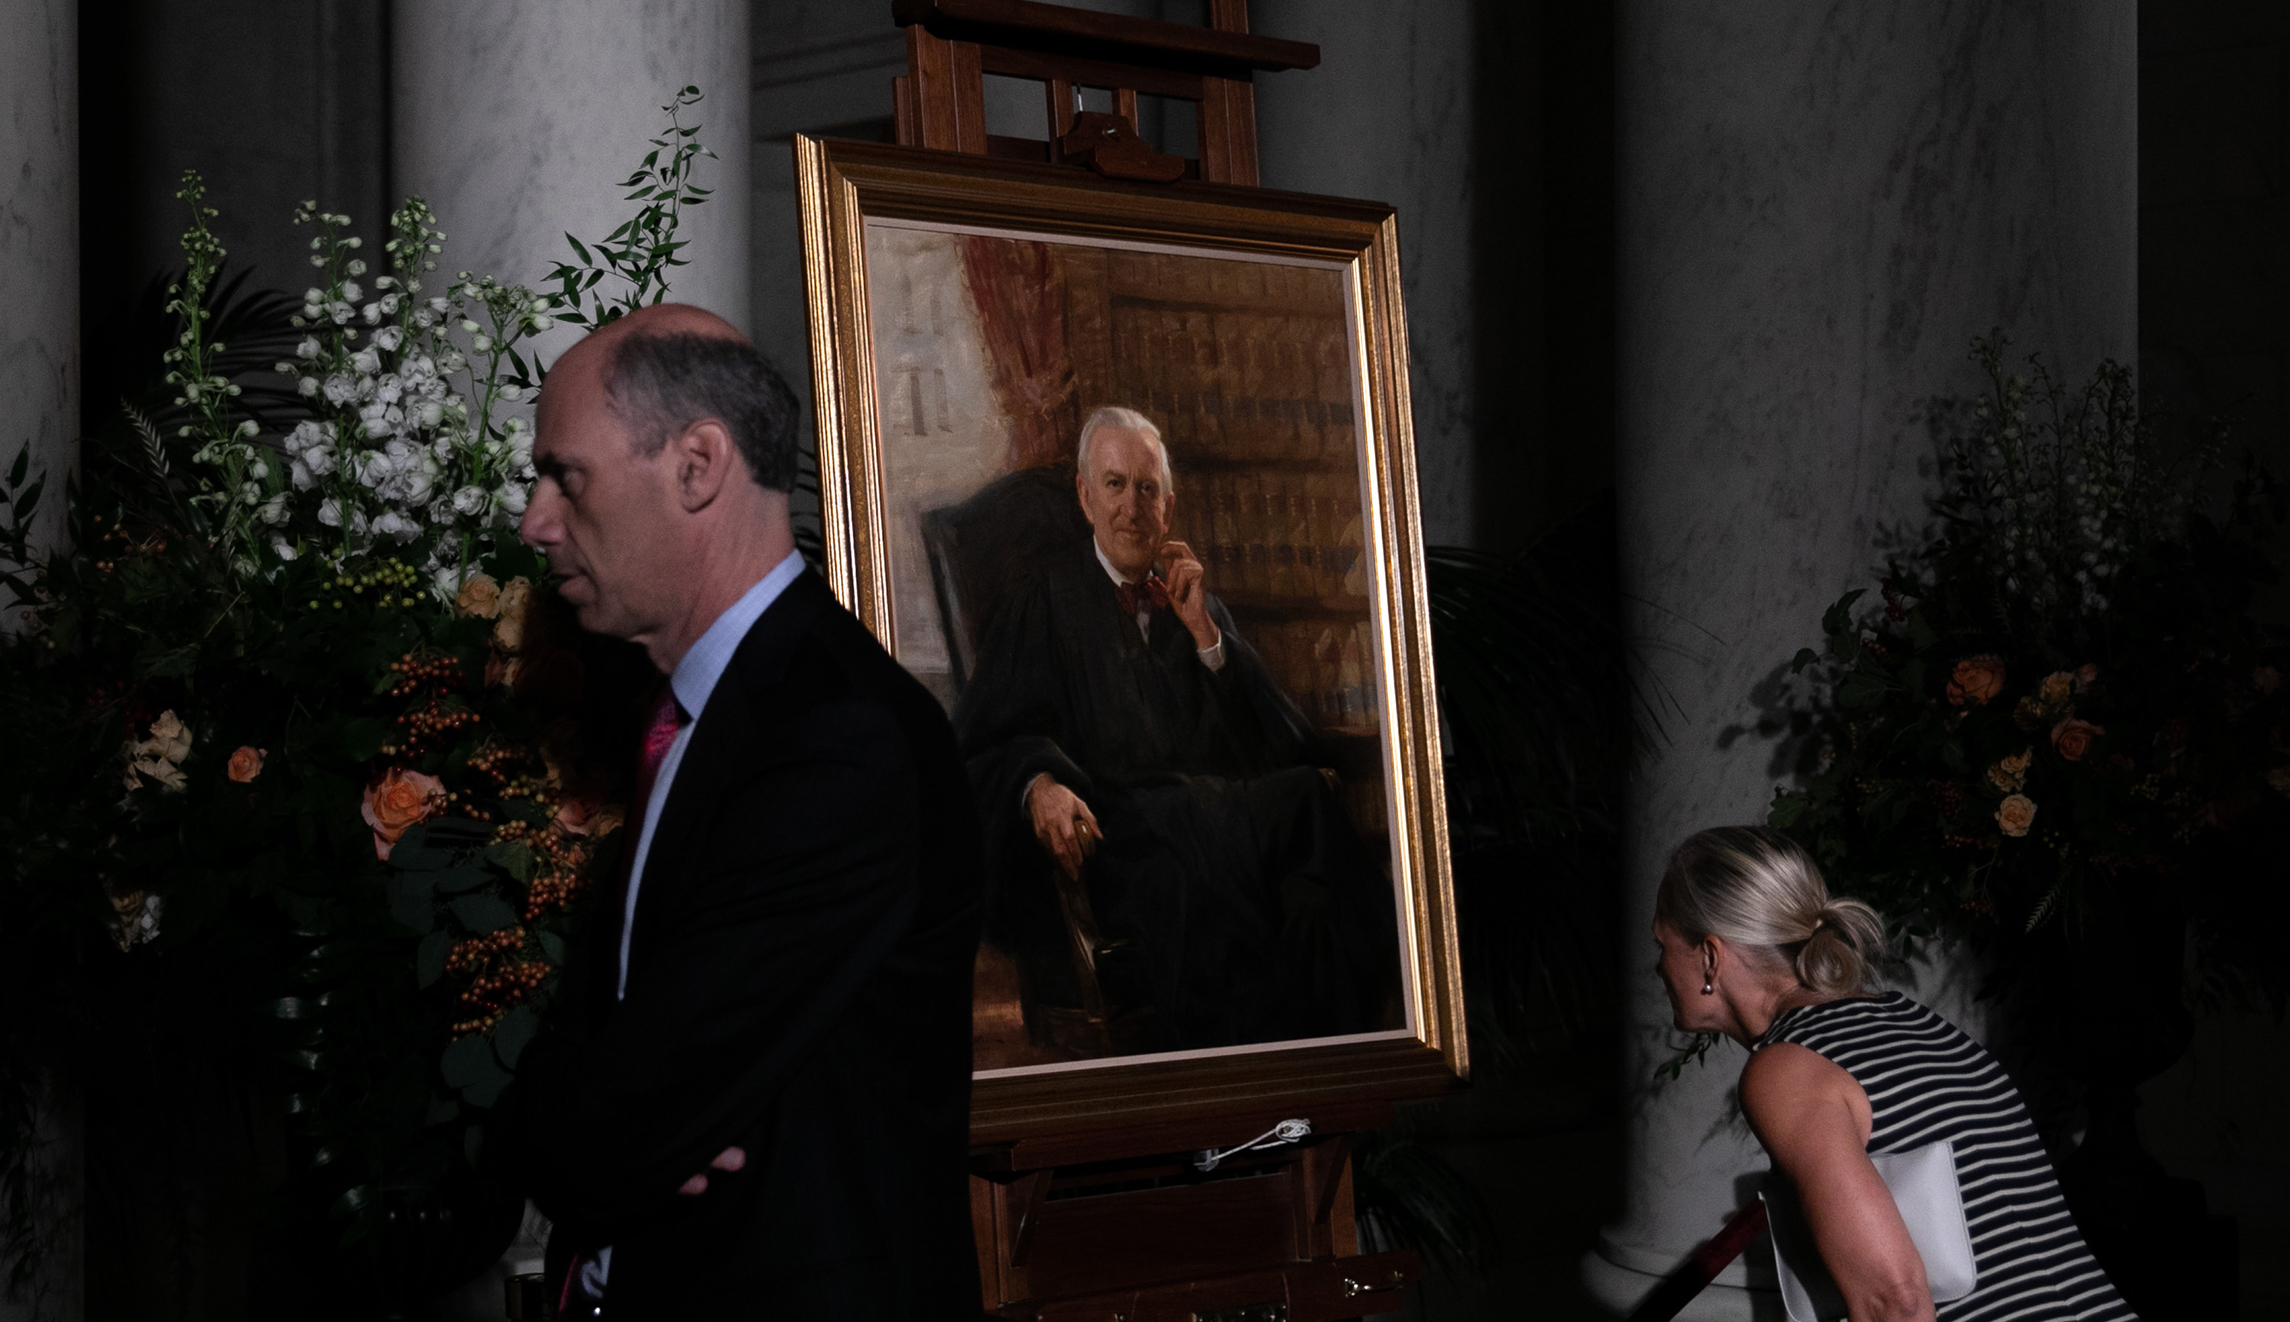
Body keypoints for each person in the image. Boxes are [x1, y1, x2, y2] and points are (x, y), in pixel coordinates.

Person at [495, 304, 984, 1317]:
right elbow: (576, 1089)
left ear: (697, 465)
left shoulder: (834, 737)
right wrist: (599, 1122)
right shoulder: (698, 715)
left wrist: (603, 1127)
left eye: (566, 475)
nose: (535, 520)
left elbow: (600, 1126)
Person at [955, 406, 1398, 1051]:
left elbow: (1284, 742)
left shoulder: (1196, 607)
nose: (1130, 507)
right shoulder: (1043, 604)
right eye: (1113, 484)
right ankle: (1386, 1041)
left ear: (1168, 508)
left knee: (1315, 908)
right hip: (1120, 848)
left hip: (1212, 835)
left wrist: (1208, 641)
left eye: (1147, 488)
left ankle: (1318, 1092)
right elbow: (976, 746)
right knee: (1307, 798)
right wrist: (1036, 783)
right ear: (1084, 496)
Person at [1652, 826, 2134, 1322]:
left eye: (1662, 945)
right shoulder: (1918, 1022)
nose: (1659, 967)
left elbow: (1895, 1304)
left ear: (1710, 956)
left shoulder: (1785, 1068)